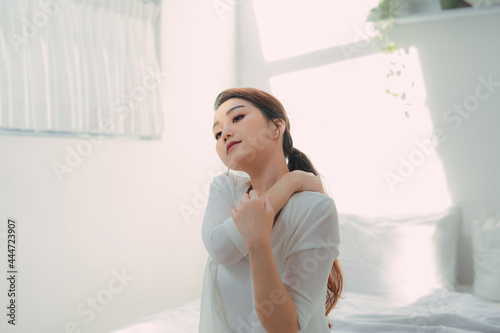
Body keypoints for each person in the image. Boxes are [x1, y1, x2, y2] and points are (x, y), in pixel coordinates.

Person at [199, 87, 343, 333]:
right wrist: (291, 183)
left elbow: (285, 328)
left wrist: (258, 243)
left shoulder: (315, 208)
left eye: (237, 118)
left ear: (276, 127)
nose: (225, 133)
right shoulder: (225, 188)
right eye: (217, 133)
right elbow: (221, 248)